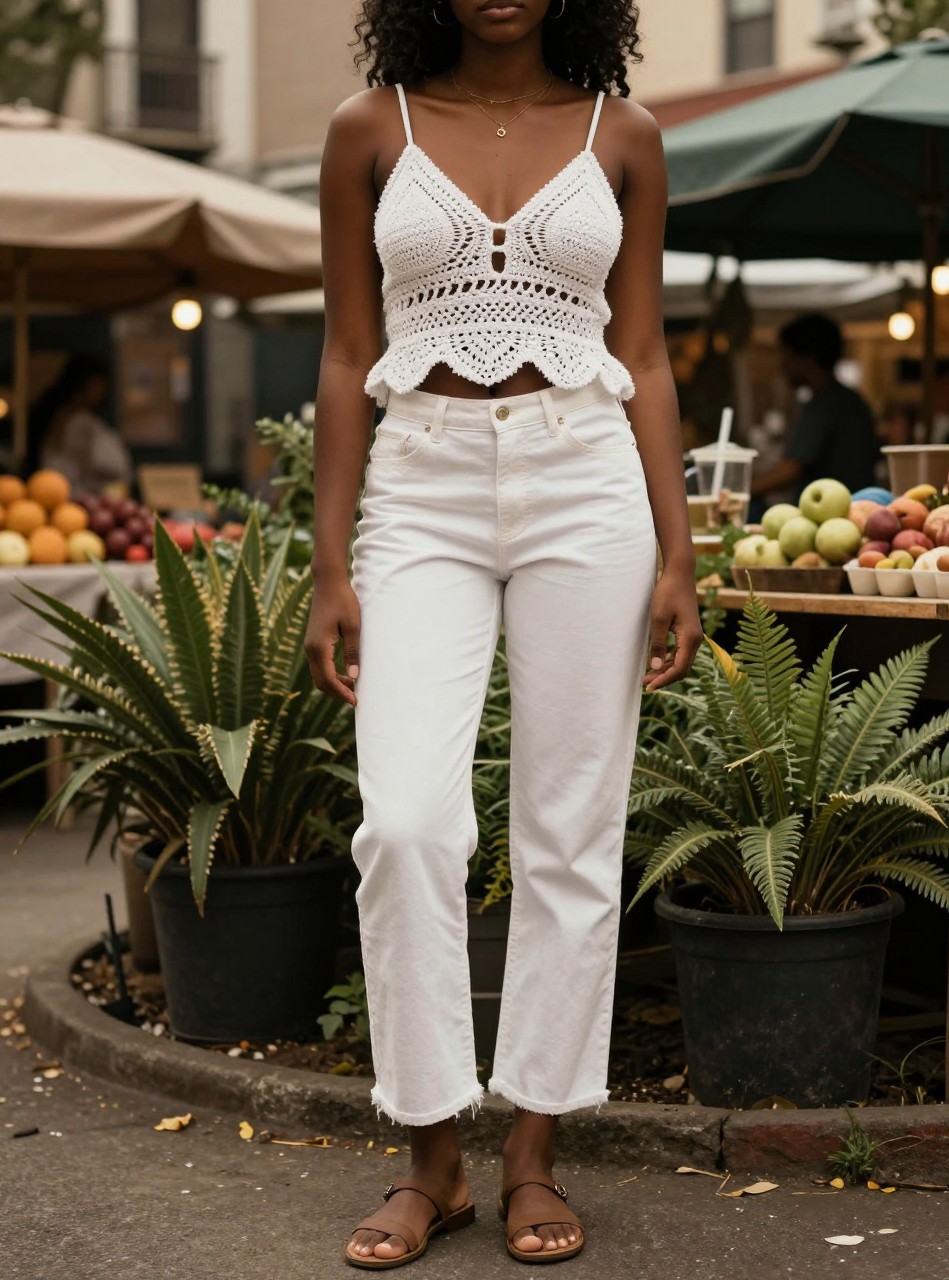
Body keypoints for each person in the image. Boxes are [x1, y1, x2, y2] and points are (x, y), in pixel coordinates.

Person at [304, 1, 701, 1268]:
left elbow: (640, 347)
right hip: (418, 481)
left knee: (571, 827)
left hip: (587, 475)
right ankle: (432, 1154)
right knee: (407, 819)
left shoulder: (624, 134)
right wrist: (328, 560)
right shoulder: (371, 128)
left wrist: (678, 546)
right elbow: (346, 346)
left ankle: (532, 1153)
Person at [752, 313, 880, 503]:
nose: (782, 365)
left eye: (786, 355)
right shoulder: (851, 400)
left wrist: (740, 492)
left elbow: (790, 469)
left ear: (807, 358)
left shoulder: (826, 403)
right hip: (851, 509)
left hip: (833, 513)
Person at [28, 353, 133, 494]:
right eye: (96, 385)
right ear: (82, 384)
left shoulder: (83, 419)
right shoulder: (72, 420)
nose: (100, 391)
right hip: (64, 495)